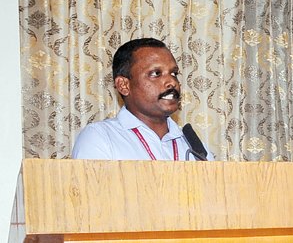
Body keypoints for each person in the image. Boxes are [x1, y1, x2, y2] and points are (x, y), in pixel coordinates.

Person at [72, 38, 210, 160]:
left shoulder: (194, 147)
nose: (172, 82)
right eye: (156, 73)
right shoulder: (99, 138)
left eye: (174, 73)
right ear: (124, 85)